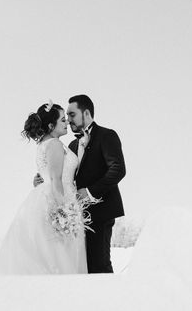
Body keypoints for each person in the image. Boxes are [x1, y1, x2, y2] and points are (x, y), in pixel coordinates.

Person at [0, 103, 87, 274]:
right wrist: (63, 210)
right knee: (60, 254)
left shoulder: (44, 144)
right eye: (63, 120)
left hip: (45, 197)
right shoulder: (55, 144)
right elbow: (55, 178)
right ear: (51, 126)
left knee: (48, 254)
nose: (66, 123)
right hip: (58, 199)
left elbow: (47, 176)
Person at [65, 94, 126, 273]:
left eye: (72, 114)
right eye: (67, 116)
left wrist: (90, 192)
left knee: (100, 266)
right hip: (77, 217)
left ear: (86, 113)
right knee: (84, 268)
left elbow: (118, 169)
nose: (68, 120)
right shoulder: (72, 146)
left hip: (102, 212)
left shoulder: (107, 136)